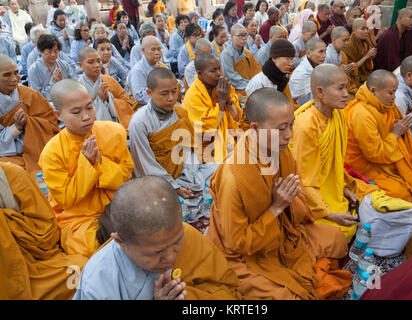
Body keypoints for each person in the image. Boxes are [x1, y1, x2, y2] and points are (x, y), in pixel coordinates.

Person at [206, 87, 352, 300]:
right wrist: (276, 207)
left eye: (291, 125)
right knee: (289, 297)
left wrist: (290, 204)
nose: (289, 135)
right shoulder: (234, 177)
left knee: (337, 238)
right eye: (281, 128)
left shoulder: (281, 151)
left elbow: (298, 195)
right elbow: (237, 243)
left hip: (281, 232)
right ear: (255, 128)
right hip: (246, 255)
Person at [73, 175, 245, 300]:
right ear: (121, 242)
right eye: (156, 253)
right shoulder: (99, 281)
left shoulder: (186, 233)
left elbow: (227, 291)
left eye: (177, 243)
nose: (171, 258)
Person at [39, 79, 135, 257]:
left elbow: (126, 177)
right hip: (80, 219)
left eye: (89, 107)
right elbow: (66, 199)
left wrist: (101, 162)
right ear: (58, 115)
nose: (86, 116)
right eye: (76, 112)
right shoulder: (52, 153)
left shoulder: (114, 132)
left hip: (119, 204)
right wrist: (88, 164)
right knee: (92, 253)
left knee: (153, 226)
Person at [292, 64, 378, 241]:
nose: (346, 94)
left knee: (374, 196)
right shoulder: (306, 125)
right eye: (340, 88)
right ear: (320, 92)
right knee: (342, 233)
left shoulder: (337, 114)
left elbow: (334, 163)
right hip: (308, 193)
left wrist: (344, 188)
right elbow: (303, 179)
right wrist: (328, 213)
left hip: (331, 187)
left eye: (345, 87)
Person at [129, 68, 217, 222]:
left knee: (221, 169)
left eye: (174, 92)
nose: (171, 98)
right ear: (149, 93)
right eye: (164, 93)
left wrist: (191, 174)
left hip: (187, 171)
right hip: (159, 181)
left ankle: (193, 192)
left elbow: (191, 147)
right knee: (163, 205)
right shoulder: (139, 122)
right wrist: (175, 187)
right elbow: (145, 164)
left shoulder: (180, 111)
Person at [344, 70, 412, 208]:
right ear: (374, 90)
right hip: (366, 165)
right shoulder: (362, 114)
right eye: (391, 93)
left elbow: (393, 131)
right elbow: (374, 154)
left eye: (395, 92)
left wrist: (396, 131)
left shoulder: (384, 105)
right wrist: (394, 134)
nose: (394, 97)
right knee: (400, 193)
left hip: (389, 153)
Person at [0, 162, 88, 300]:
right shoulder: (51, 152)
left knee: (87, 269)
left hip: (36, 262)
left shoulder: (11, 175)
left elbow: (47, 232)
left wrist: (7, 222)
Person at [0, 54, 59, 175]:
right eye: (7, 75)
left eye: (16, 72)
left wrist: (29, 122)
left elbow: (51, 125)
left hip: (37, 148)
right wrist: (16, 128)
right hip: (6, 155)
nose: (14, 78)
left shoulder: (28, 94)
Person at [183, 53, 242, 163]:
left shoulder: (222, 87)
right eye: (213, 71)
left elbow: (237, 118)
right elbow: (205, 130)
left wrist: (228, 99)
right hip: (206, 149)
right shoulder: (193, 96)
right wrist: (221, 102)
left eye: (219, 68)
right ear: (199, 73)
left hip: (230, 140)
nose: (218, 74)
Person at [78, 47, 134, 130]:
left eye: (99, 61)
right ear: (80, 65)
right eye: (91, 62)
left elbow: (127, 103)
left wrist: (108, 98)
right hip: (91, 131)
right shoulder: (77, 88)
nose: (97, 65)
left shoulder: (110, 81)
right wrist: (98, 100)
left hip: (116, 127)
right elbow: (77, 113)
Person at [247, 39, 298, 109]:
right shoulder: (259, 82)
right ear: (274, 58)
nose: (290, 64)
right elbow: (255, 112)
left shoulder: (283, 80)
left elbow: (289, 105)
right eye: (287, 59)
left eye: (291, 60)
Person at [28, 34, 76, 102]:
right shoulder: (34, 70)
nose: (53, 55)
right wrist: (53, 83)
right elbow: (37, 97)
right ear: (41, 51)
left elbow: (75, 82)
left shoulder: (63, 64)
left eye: (56, 51)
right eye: (49, 52)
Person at [220, 24, 262, 101]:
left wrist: (256, 83)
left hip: (249, 85)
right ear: (232, 37)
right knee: (246, 103)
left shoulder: (247, 52)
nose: (244, 38)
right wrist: (249, 85)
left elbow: (256, 69)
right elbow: (230, 76)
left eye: (245, 35)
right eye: (240, 35)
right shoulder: (226, 54)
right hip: (235, 90)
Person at [127, 36, 167, 108]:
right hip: (144, 108)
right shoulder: (138, 70)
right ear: (143, 51)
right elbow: (140, 97)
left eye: (159, 49)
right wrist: (156, 81)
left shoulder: (161, 65)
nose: (157, 52)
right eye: (153, 49)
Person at [343, 18, 376, 95]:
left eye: (367, 28)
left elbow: (368, 65)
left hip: (365, 76)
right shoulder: (349, 45)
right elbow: (350, 69)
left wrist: (370, 57)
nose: (366, 31)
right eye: (362, 29)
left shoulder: (365, 43)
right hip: (352, 79)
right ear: (354, 30)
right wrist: (367, 56)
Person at [289, 38, 326, 106]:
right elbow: (303, 104)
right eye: (321, 52)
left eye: (325, 51)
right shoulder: (301, 74)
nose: (324, 55)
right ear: (308, 53)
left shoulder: (319, 66)